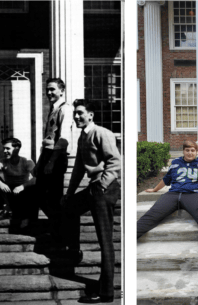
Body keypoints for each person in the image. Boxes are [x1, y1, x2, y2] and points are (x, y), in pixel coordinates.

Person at [61, 99, 120, 304]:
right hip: (92, 189)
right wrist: (69, 193)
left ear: (90, 115)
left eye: (80, 113)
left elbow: (115, 162)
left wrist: (102, 185)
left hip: (104, 189)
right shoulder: (83, 136)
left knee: (105, 242)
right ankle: (74, 249)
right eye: (75, 114)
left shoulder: (102, 133)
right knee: (68, 207)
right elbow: (78, 167)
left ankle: (106, 293)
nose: (77, 117)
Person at [137, 140, 198, 253]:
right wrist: (155, 189)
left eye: (192, 150)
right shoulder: (175, 163)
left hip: (194, 193)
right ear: (183, 151)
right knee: (153, 213)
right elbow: (166, 179)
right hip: (173, 194)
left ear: (196, 152)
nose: (190, 153)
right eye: (187, 150)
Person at [33, 77, 74, 239]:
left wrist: (51, 161)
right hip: (48, 156)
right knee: (42, 195)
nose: (49, 92)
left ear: (61, 91)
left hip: (56, 157)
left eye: (53, 89)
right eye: (47, 89)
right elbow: (49, 139)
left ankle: (61, 231)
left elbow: (63, 139)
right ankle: (58, 227)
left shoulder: (66, 109)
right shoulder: (53, 108)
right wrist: (39, 163)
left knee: (53, 196)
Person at [0, 137, 36, 231]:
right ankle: (5, 208)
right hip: (8, 191)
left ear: (17, 148)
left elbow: (36, 177)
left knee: (32, 188)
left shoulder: (26, 161)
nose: (5, 151)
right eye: (3, 148)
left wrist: (22, 186)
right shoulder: (2, 161)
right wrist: (0, 184)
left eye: (8, 148)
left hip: (22, 192)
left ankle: (22, 216)